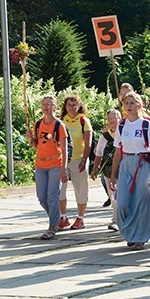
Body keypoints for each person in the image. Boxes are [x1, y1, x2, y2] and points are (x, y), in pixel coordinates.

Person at [109, 92, 150, 250]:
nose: (128, 106)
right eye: (126, 103)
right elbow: (117, 152)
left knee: (141, 203)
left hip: (143, 163)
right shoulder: (122, 126)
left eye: (132, 103)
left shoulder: (146, 125)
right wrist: (112, 176)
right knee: (122, 202)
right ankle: (129, 232)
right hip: (126, 163)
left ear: (139, 105)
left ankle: (140, 237)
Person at [26, 95, 69, 240]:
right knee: (41, 197)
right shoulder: (38, 124)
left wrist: (64, 169)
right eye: (44, 104)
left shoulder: (59, 125)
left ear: (55, 107)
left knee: (52, 197)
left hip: (55, 164)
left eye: (49, 104)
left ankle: (52, 226)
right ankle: (56, 218)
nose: (46, 107)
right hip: (40, 164)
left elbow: (64, 149)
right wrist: (30, 139)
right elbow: (37, 145)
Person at [58, 95, 92, 230]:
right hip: (63, 160)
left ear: (79, 106)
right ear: (65, 106)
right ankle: (63, 217)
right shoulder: (61, 121)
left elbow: (88, 142)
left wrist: (84, 159)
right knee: (60, 190)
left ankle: (80, 218)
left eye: (74, 105)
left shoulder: (83, 121)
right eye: (69, 105)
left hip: (79, 158)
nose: (71, 108)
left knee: (81, 189)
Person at [91, 109, 122, 232]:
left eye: (115, 118)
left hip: (125, 169)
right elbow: (99, 153)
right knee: (113, 196)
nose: (112, 121)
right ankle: (115, 221)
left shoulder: (125, 133)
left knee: (123, 196)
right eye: (110, 119)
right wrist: (95, 169)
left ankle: (122, 219)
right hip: (109, 171)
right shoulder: (104, 137)